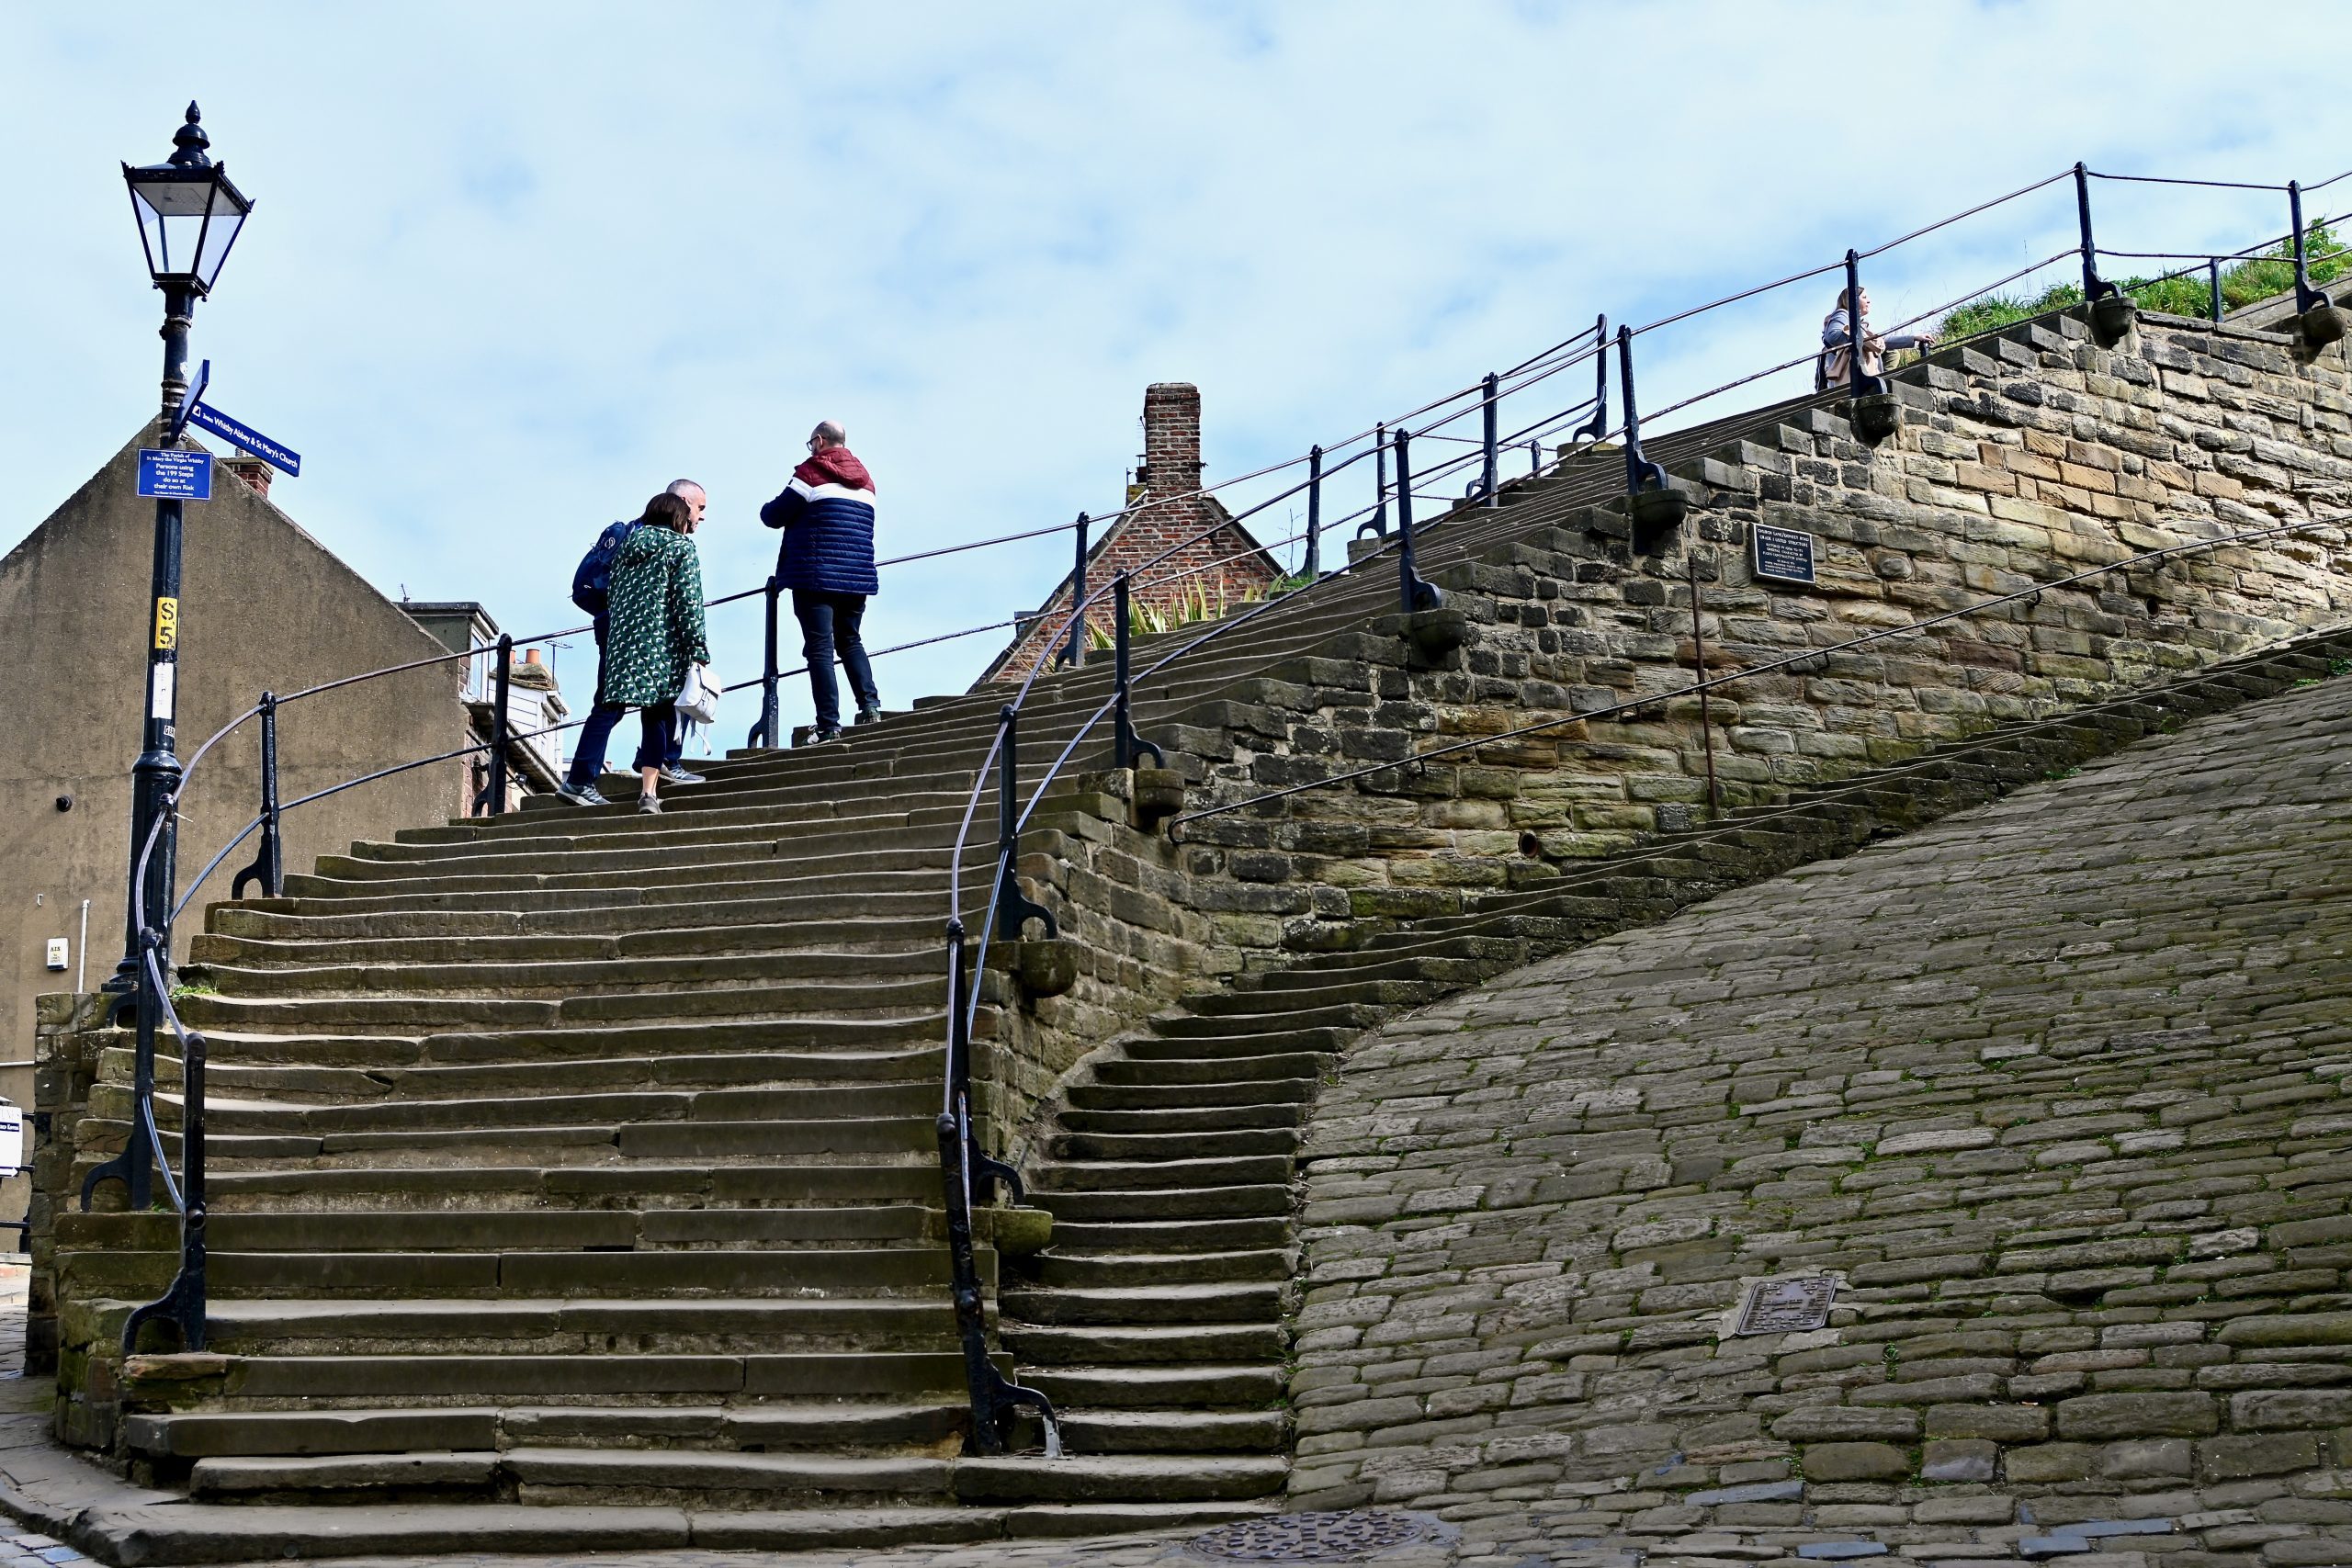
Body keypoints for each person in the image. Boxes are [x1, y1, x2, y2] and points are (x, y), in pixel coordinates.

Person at [559, 480, 708, 805]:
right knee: (659, 708)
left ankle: (583, 779)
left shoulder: (627, 544)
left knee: (610, 704)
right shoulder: (680, 548)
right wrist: (698, 646)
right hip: (659, 641)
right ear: (680, 506)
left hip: (619, 636)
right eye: (699, 509)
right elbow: (688, 603)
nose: (700, 517)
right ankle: (648, 788)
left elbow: (614, 593)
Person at [760, 420, 881, 743]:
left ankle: (829, 725)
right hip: (856, 577)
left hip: (815, 575)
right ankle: (870, 706)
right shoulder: (867, 480)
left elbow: (774, 515)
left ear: (819, 440)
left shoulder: (811, 473)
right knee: (850, 640)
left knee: (820, 648)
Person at [1818, 287, 1936, 390]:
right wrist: (1856, 334)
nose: (1868, 301)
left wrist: (1914, 337)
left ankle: (1882, 378)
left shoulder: (1860, 323)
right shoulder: (1842, 313)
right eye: (1864, 297)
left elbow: (1882, 340)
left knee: (1892, 352)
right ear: (1852, 299)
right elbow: (1832, 337)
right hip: (1846, 370)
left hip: (1856, 366)